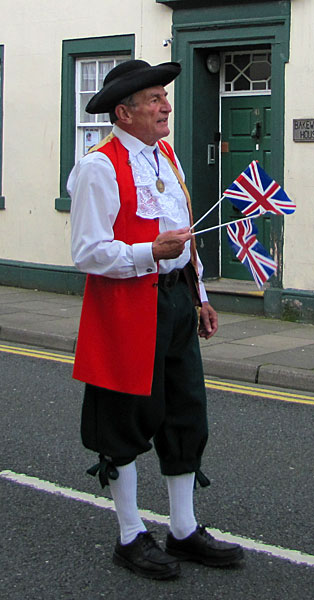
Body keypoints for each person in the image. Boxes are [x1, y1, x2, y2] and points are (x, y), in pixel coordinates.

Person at [67, 59, 244, 580]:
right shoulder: (99, 167)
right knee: (124, 420)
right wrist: (148, 252)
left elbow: (182, 233)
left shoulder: (166, 156)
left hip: (174, 303)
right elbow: (86, 253)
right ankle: (129, 536)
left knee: (185, 412)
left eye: (163, 97)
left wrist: (200, 294)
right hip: (124, 307)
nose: (165, 105)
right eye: (152, 99)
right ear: (123, 113)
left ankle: (184, 529)